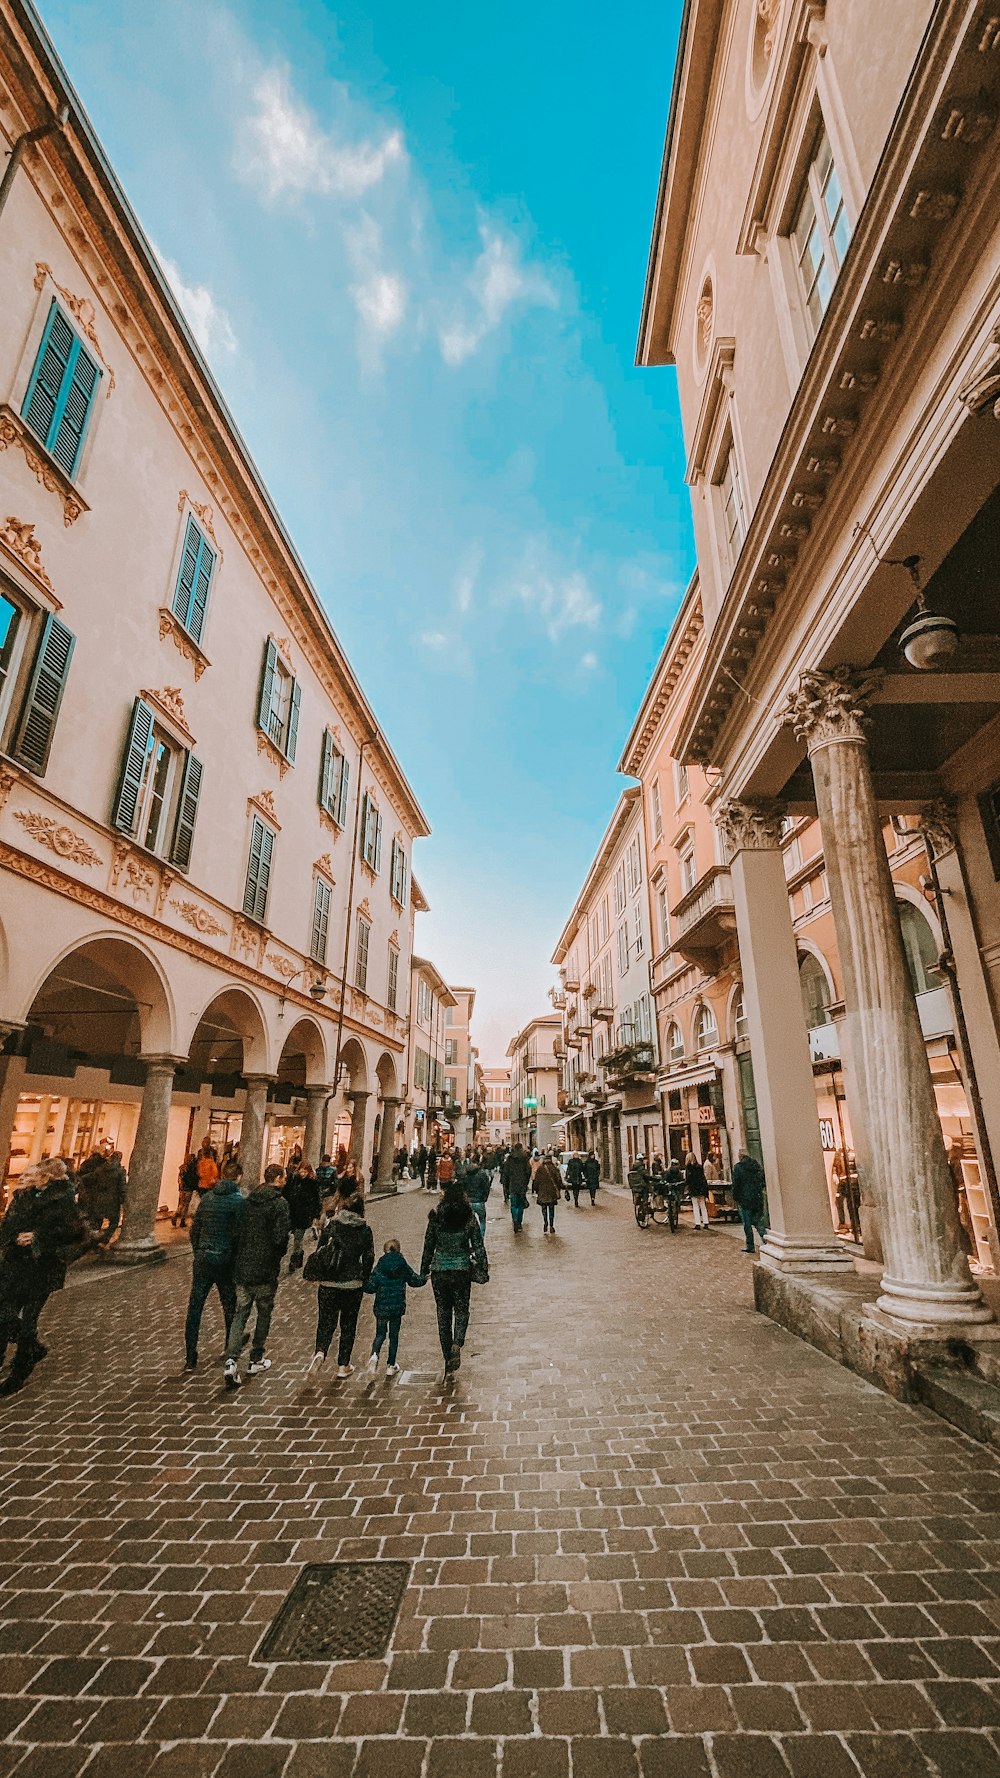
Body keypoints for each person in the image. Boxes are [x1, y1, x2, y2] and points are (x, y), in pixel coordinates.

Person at [0, 1159, 91, 1396]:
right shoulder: (22, 1197)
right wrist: (13, 1240)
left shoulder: (63, 1202)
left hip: (43, 1269)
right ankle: (33, 1348)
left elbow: (74, 1235)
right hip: (15, 1264)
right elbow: (8, 1226)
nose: (25, 1176)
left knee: (29, 1318)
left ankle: (20, 1370)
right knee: (4, 1313)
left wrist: (39, 1238)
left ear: (46, 1178)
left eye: (32, 1173)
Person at [223, 1163, 290, 1389]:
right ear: (279, 1178)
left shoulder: (246, 1202)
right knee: (263, 1313)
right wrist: (276, 1257)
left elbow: (234, 1233)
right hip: (264, 1268)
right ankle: (256, 1358)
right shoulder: (280, 1204)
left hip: (243, 1266)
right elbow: (281, 1239)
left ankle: (231, 1360)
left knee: (240, 1313)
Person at [420, 1180, 487, 1374]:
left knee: (443, 1313)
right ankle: (457, 1343)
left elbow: (428, 1245)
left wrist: (424, 1269)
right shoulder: (468, 1218)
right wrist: (482, 1268)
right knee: (461, 1309)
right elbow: (478, 1245)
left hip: (440, 1270)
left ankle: (447, 1355)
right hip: (461, 1270)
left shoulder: (436, 1217)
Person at [184, 1159, 245, 1370]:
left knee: (195, 1308)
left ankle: (190, 1355)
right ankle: (230, 1349)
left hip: (203, 1258)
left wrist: (199, 1250)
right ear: (238, 1177)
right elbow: (240, 1235)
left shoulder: (208, 1198)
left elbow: (195, 1229)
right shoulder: (238, 1201)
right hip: (225, 1259)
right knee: (229, 1305)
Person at [309, 1192, 375, 1378]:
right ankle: (343, 1365)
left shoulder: (332, 1226)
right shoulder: (364, 1229)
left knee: (325, 1321)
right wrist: (365, 1276)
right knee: (348, 1324)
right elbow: (369, 1257)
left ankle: (320, 1352)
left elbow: (320, 1250)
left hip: (329, 1282)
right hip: (352, 1284)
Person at [364, 1237, 427, 1375]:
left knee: (380, 1334)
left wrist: (362, 1281)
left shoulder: (380, 1265)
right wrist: (425, 1278)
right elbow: (414, 1280)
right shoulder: (402, 1264)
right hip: (397, 1307)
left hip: (381, 1307)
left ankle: (374, 1355)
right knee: (394, 1336)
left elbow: (371, 1286)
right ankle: (391, 1365)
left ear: (384, 1250)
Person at [78, 1148, 127, 1244]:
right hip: (113, 1200)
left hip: (99, 1198)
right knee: (114, 1221)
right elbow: (122, 1186)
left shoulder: (101, 1169)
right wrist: (123, 1199)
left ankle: (94, 1240)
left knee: (97, 1220)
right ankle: (104, 1238)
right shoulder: (120, 1171)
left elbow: (86, 1178)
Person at [283, 1162, 322, 1272]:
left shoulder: (313, 1183)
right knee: (289, 1237)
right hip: (291, 1213)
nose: (302, 1173)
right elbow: (285, 1193)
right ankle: (298, 1256)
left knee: (298, 1239)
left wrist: (315, 1215)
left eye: (305, 1171)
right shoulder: (293, 1180)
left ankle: (294, 1259)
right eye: (301, 1170)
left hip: (303, 1215)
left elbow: (317, 1200)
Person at [732, 1150, 768, 1254]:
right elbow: (762, 1181)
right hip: (757, 1197)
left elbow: (736, 1184)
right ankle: (766, 1241)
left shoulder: (738, 1167)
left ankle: (750, 1245)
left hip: (744, 1199)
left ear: (740, 1157)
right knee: (757, 1222)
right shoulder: (756, 1166)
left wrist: (736, 1197)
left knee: (747, 1224)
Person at [502, 1142, 532, 1231]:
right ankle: (519, 1222)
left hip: (512, 1184)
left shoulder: (510, 1158)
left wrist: (506, 1185)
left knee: (514, 1205)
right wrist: (526, 1182)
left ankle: (515, 1220)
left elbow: (506, 1173)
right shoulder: (525, 1158)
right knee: (520, 1205)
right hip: (522, 1184)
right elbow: (528, 1171)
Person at [533, 1151, 562, 1234]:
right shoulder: (554, 1168)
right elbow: (559, 1180)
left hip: (542, 1192)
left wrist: (536, 1190)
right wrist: (559, 1188)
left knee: (544, 1208)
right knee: (551, 1209)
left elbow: (536, 1181)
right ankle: (551, 1225)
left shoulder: (540, 1169)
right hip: (552, 1192)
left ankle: (545, 1222)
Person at [172, 1148, 201, 1228]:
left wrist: (180, 1186)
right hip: (189, 1188)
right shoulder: (192, 1167)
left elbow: (180, 1178)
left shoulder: (182, 1167)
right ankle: (182, 1220)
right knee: (186, 1205)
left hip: (182, 1188)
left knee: (181, 1204)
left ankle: (175, 1215)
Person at [464, 1158, 492, 1237]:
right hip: (479, 1201)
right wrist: (484, 1198)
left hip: (468, 1201)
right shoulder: (482, 1175)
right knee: (482, 1220)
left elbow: (462, 1188)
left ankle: (469, 1237)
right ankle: (481, 1237)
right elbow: (486, 1187)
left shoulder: (465, 1176)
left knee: (467, 1221)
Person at [686, 1150, 710, 1229]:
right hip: (701, 1188)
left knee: (696, 1206)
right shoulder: (699, 1166)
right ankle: (706, 1222)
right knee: (703, 1205)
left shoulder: (689, 1168)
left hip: (694, 1189)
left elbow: (688, 1180)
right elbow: (703, 1178)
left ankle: (698, 1223)